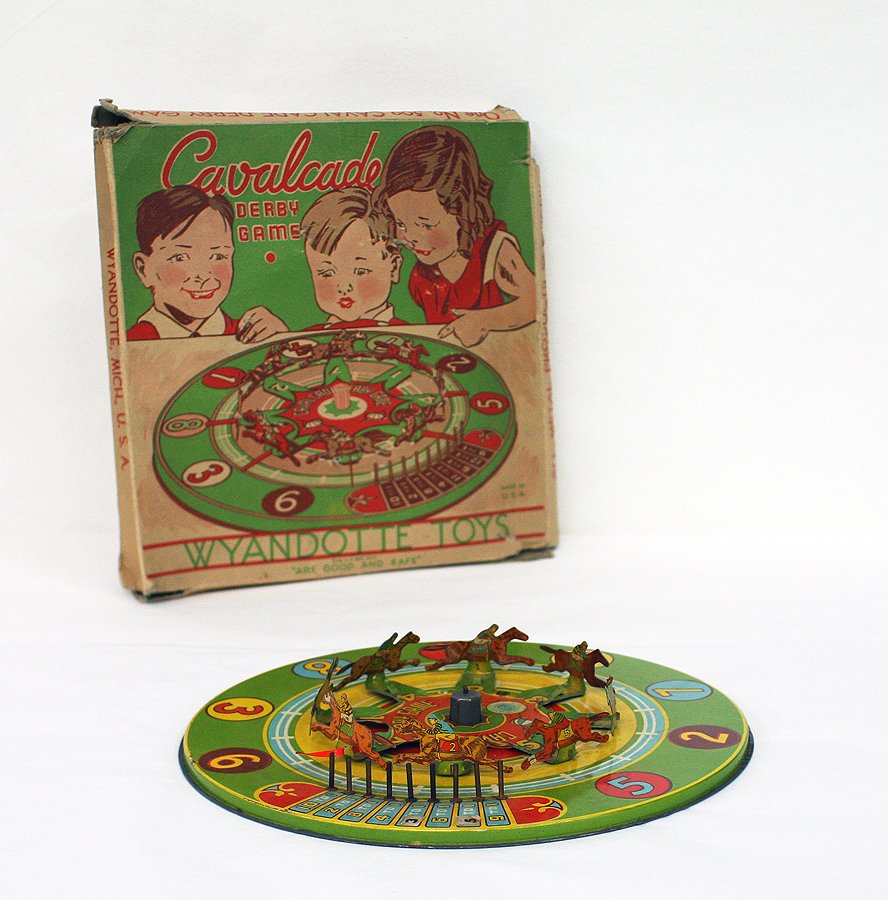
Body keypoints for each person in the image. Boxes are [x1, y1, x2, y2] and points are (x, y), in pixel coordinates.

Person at [372, 125, 536, 347]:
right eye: (401, 223)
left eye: (426, 224)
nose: (411, 237)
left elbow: (534, 301)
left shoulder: (493, 249)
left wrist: (485, 320)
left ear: (461, 210)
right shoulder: (422, 273)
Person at [128, 185, 286, 342]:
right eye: (180, 257)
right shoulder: (132, 345)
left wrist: (284, 343)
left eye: (218, 256)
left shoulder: (257, 337)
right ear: (143, 269)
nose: (203, 275)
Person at [300, 187, 406, 330]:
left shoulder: (411, 334)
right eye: (327, 273)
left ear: (393, 267)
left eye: (361, 271)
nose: (344, 288)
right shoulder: (307, 338)